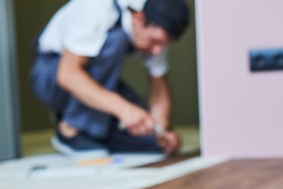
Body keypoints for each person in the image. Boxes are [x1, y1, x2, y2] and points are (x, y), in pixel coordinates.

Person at [30, 0, 190, 159]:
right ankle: (70, 129)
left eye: (163, 44)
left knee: (148, 134)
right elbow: (67, 75)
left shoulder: (155, 33)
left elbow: (159, 90)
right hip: (51, 77)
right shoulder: (97, 8)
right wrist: (123, 109)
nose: (157, 51)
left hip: (96, 82)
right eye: (155, 41)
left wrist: (161, 132)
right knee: (116, 40)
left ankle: (93, 133)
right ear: (139, 19)